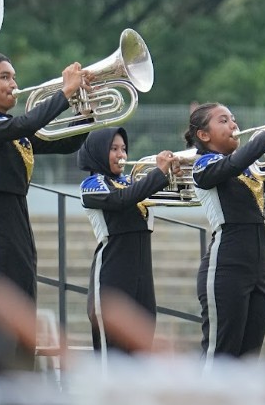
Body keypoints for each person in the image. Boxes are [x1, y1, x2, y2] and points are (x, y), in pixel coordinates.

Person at [0, 51, 89, 368]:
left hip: (17, 218)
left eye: (13, 77)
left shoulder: (10, 128)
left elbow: (66, 144)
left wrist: (86, 110)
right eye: (4, 77)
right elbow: (27, 123)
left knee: (22, 312)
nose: (14, 84)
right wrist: (65, 92)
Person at [187, 102, 265, 369]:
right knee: (220, 356)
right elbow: (233, 164)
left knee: (247, 362)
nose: (233, 124)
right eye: (223, 120)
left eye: (233, 118)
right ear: (203, 135)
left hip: (256, 267)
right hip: (226, 264)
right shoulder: (202, 165)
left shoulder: (248, 170)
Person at [76, 126, 180, 363]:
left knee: (141, 360)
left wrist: (174, 172)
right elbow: (122, 200)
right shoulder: (92, 184)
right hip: (112, 279)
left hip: (143, 280)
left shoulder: (131, 182)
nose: (121, 154)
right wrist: (158, 173)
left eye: (123, 148)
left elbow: (147, 193)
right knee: (111, 361)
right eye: (113, 149)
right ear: (98, 152)